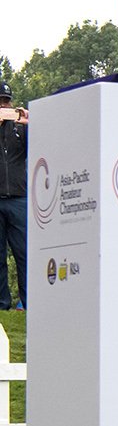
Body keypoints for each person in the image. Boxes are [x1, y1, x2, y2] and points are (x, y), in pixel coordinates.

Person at [0, 87, 26, 312]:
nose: (4, 106)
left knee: (24, 253)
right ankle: (2, 305)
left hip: (19, 198)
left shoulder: (19, 128)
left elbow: (40, 150)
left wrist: (29, 124)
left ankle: (29, 304)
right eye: (0, 102)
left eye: (6, 102)